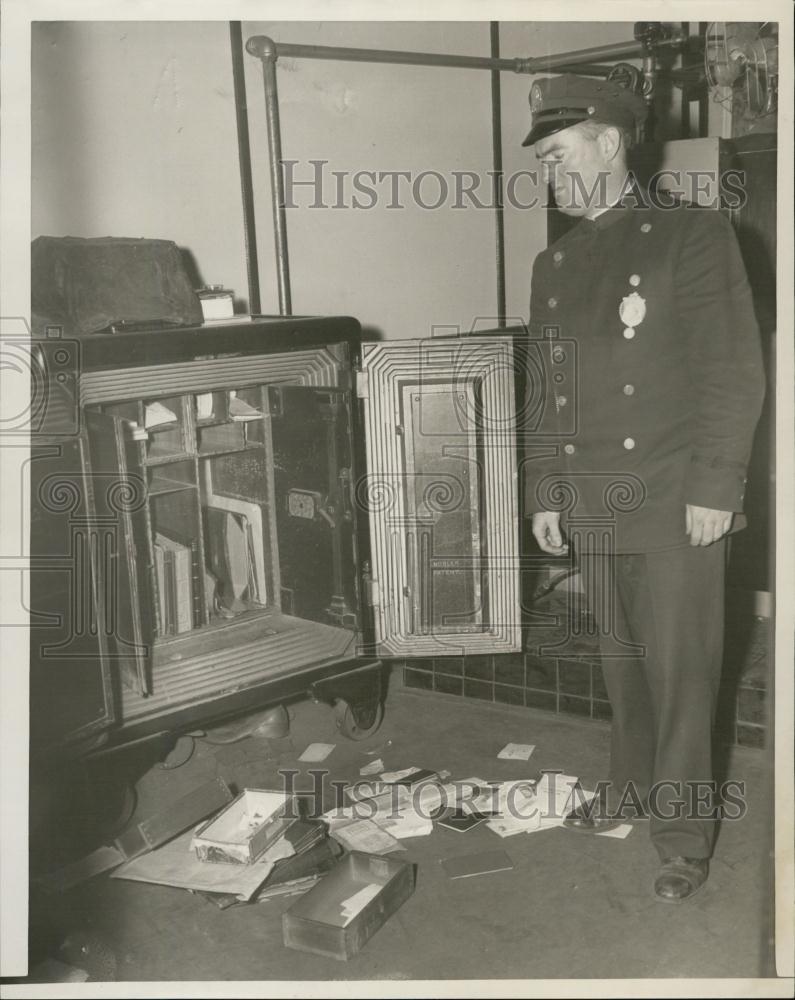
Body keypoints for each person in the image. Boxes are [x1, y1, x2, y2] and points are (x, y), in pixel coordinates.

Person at [521, 74, 766, 902]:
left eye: (557, 153)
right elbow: (546, 388)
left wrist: (715, 485)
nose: (548, 171)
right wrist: (546, 488)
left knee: (682, 671)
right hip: (593, 496)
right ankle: (628, 785)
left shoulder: (690, 235)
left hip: (670, 495)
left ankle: (683, 833)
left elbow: (731, 371)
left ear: (606, 140)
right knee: (620, 661)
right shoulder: (552, 263)